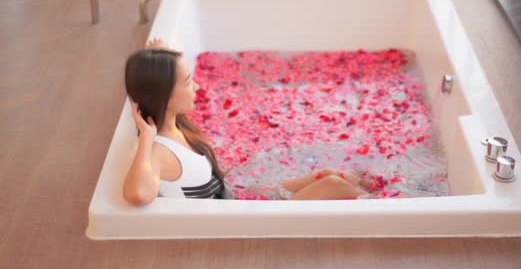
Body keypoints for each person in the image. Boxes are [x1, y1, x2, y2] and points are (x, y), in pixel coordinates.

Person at [122, 39, 370, 206]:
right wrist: (146, 138)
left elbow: (161, 81)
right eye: (188, 82)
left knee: (330, 175)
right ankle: (389, 203)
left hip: (234, 200)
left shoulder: (175, 123)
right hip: (239, 220)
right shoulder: (159, 151)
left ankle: (382, 195)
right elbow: (137, 195)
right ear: (165, 94)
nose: (196, 86)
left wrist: (160, 54)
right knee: (333, 185)